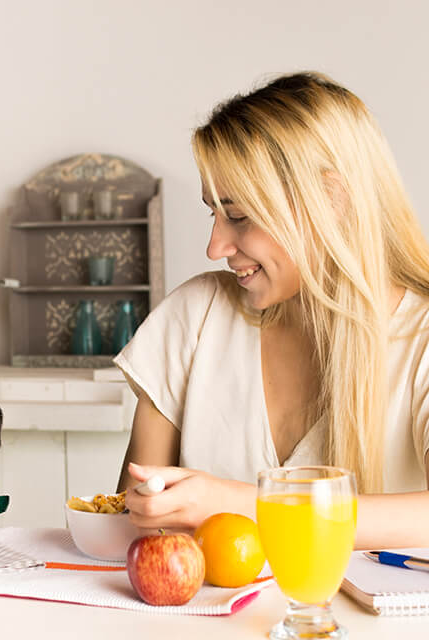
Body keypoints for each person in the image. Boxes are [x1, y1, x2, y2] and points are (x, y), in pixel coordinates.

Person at [114, 71, 429, 550]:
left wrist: (242, 505)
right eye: (213, 213)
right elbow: (131, 527)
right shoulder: (193, 318)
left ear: (333, 198)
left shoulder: (420, 338)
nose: (215, 245)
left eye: (239, 216)